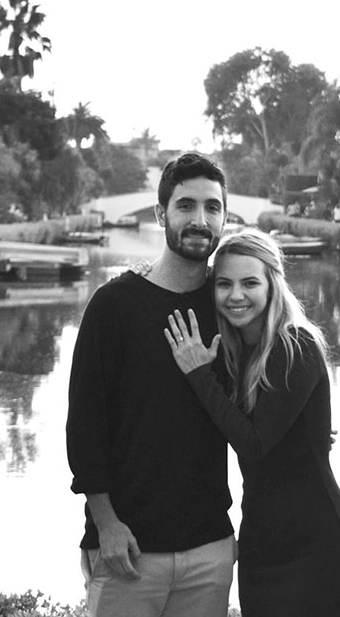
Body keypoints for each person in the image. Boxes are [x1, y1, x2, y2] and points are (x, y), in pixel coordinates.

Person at [66, 153, 236, 617]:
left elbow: (258, 397)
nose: (200, 220)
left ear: (225, 217)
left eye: (212, 207)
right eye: (185, 206)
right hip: (129, 548)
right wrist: (106, 525)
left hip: (210, 548)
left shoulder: (231, 308)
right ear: (162, 214)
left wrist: (306, 428)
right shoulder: (113, 306)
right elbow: (85, 427)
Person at [163, 228, 340, 617]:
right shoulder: (233, 353)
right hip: (260, 545)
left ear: (272, 284)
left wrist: (198, 374)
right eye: (224, 284)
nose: (236, 295)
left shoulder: (296, 345)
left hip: (315, 546)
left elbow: (253, 443)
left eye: (249, 282)